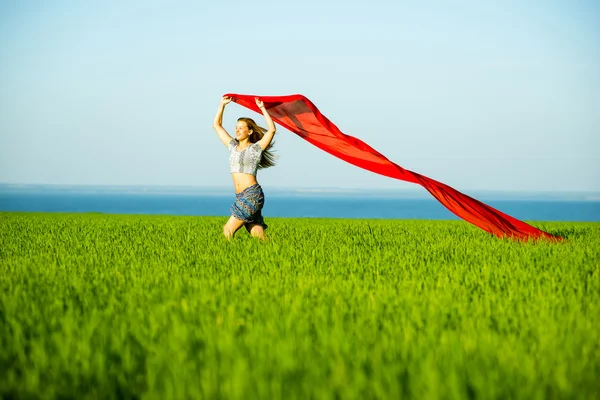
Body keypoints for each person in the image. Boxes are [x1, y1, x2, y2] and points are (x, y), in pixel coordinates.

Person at [213, 96, 277, 240]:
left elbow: (271, 130)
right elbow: (217, 125)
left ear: (249, 132)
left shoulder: (256, 148)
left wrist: (262, 108)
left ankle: (228, 259)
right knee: (258, 237)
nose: (237, 130)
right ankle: (281, 251)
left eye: (241, 128)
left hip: (251, 194)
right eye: (236, 127)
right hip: (240, 196)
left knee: (227, 230)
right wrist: (222, 105)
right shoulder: (232, 146)